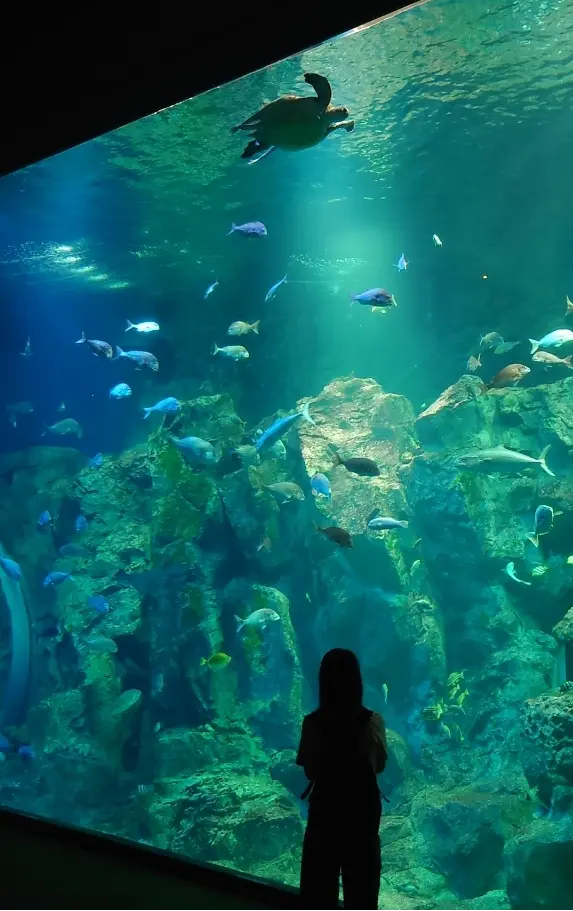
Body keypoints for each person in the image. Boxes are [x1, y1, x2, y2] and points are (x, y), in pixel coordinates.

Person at [296, 648, 387, 911]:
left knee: (318, 892)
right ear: (357, 681)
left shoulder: (312, 723)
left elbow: (309, 770)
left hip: (324, 818)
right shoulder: (373, 722)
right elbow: (378, 766)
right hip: (361, 820)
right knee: (362, 894)